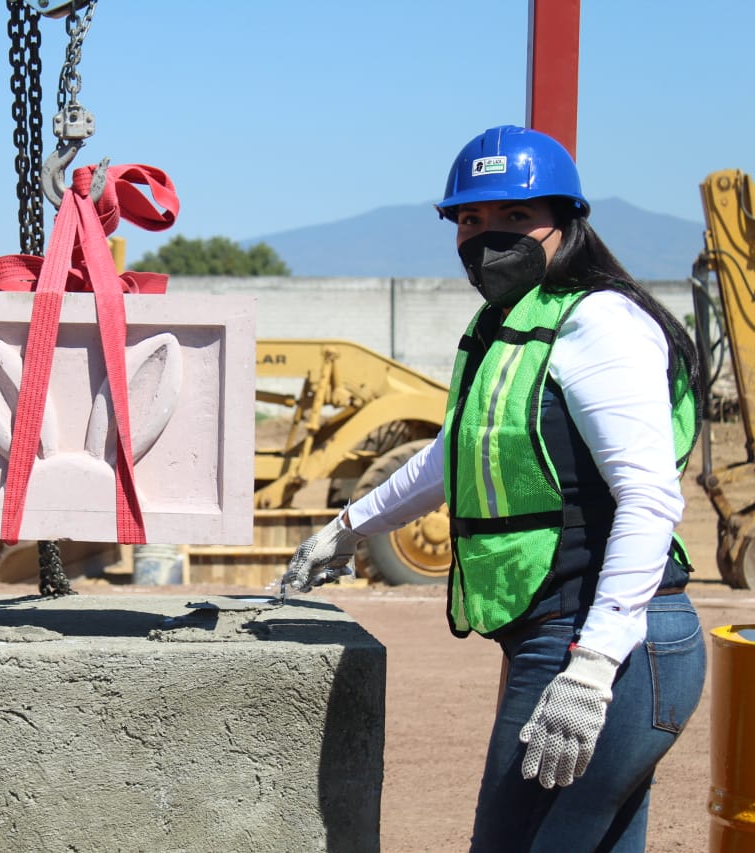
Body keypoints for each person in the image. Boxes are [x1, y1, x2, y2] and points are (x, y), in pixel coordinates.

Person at [281, 124, 707, 851]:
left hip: (606, 644)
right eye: (471, 220)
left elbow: (649, 497)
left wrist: (593, 667)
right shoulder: (512, 326)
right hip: (569, 637)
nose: (488, 237)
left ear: (567, 222)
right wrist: (350, 525)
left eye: (516, 217)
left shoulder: (599, 321)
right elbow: (460, 453)